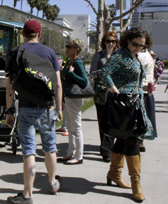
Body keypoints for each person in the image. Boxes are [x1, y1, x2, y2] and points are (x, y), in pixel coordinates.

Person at [5, 20, 63, 204]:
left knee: (29, 150)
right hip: (47, 109)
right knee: (50, 146)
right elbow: (58, 84)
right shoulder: (50, 53)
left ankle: (28, 195)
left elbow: (9, 86)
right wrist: (59, 108)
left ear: (23, 34)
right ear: (39, 34)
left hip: (26, 108)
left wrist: (9, 110)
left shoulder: (16, 52)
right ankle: (53, 183)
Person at [100, 27, 153, 202]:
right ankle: (136, 184)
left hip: (134, 104)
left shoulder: (133, 56)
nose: (138, 47)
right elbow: (105, 72)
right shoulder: (121, 55)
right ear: (128, 40)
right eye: (135, 44)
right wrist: (115, 91)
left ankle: (114, 173)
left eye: (141, 46)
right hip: (124, 105)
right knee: (132, 141)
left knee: (123, 139)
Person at [90, 31, 119, 162]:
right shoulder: (99, 55)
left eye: (113, 41)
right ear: (104, 42)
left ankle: (110, 147)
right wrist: (104, 72)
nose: (110, 43)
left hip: (116, 93)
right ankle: (106, 150)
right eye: (108, 41)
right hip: (102, 92)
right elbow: (92, 73)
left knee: (114, 121)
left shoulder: (119, 55)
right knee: (103, 121)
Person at [60, 38, 89, 165]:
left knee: (76, 127)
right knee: (70, 127)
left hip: (75, 98)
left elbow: (84, 82)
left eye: (70, 47)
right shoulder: (68, 61)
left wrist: (72, 74)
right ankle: (70, 152)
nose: (67, 48)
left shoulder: (78, 63)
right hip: (68, 97)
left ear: (77, 49)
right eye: (66, 46)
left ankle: (79, 155)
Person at [139, 48, 157, 153]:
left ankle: (140, 141)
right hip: (142, 89)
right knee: (141, 118)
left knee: (143, 118)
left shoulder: (146, 55)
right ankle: (139, 141)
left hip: (145, 90)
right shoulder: (143, 55)